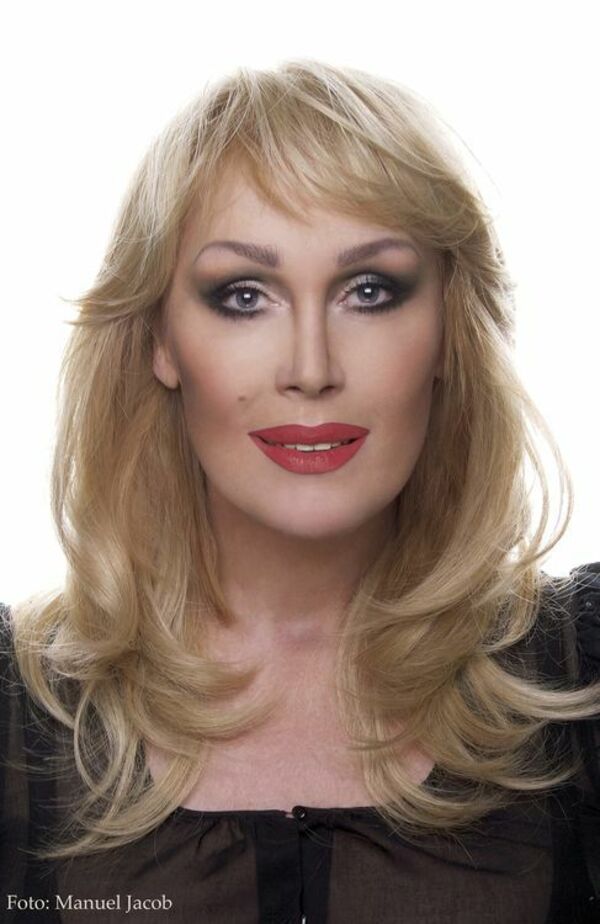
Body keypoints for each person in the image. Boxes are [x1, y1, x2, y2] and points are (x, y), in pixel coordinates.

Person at [1, 58, 599, 924]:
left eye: (369, 291)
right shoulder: (14, 708)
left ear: (448, 333)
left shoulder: (585, 673)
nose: (311, 368)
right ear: (162, 340)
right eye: (244, 296)